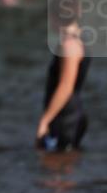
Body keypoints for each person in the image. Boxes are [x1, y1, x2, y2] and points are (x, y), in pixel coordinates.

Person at [38, 15, 90, 152]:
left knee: (54, 167)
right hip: (72, 115)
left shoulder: (69, 46)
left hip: (65, 119)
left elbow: (66, 86)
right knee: (66, 165)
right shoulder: (80, 40)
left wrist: (45, 120)